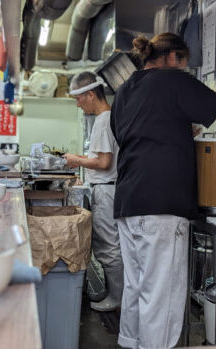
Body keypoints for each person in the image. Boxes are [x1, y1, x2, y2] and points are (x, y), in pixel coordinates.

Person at [110, 33, 216, 349]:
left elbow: (131, 136)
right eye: (183, 61)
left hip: (128, 200)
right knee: (162, 294)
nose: (184, 68)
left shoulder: (125, 89)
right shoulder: (173, 80)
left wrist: (180, 128)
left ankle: (131, 344)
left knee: (136, 286)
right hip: (161, 203)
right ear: (172, 58)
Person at [63, 71, 123, 312]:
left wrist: (75, 159)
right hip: (106, 189)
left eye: (79, 99)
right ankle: (117, 295)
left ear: (90, 94)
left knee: (109, 248)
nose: (78, 105)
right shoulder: (104, 119)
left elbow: (104, 162)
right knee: (107, 246)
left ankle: (118, 299)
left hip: (107, 191)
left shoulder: (104, 120)